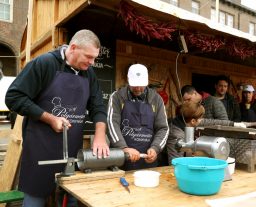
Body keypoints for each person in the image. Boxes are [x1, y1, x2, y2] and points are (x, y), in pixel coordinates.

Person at [5, 29, 109, 207]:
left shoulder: (88, 74)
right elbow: (14, 97)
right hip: (40, 149)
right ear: (73, 47)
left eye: (94, 58)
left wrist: (100, 135)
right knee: (34, 201)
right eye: (88, 57)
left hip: (71, 153)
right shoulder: (44, 64)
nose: (92, 63)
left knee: (71, 200)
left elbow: (98, 106)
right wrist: (50, 118)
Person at [107, 63, 169, 170]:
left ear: (147, 81)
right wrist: (123, 148)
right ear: (128, 80)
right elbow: (111, 124)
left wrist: (155, 148)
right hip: (121, 161)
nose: (138, 88)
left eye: (141, 85)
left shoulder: (156, 99)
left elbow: (163, 128)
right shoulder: (117, 97)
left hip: (148, 162)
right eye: (135, 85)